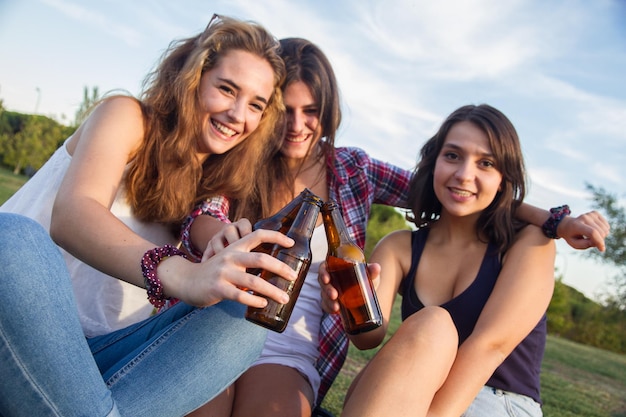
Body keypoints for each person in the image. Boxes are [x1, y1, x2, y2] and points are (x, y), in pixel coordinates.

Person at [181, 40, 610, 417]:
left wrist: (554, 220)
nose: (297, 126)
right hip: (221, 319)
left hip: (298, 347)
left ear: (328, 112)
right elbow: (208, 213)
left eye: (311, 111)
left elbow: (440, 190)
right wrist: (219, 235)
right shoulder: (242, 159)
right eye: (285, 111)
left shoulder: (353, 169)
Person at [0, 14, 299, 417]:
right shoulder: (126, 116)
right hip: (19, 329)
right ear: (194, 79)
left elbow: (207, 224)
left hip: (98, 359)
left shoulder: (210, 189)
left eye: (256, 105)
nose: (237, 114)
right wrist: (183, 274)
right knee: (14, 240)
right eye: (227, 89)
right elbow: (73, 213)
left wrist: (223, 256)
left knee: (240, 319)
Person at [319, 104, 592, 417]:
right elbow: (368, 338)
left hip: (497, 401)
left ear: (503, 178)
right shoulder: (399, 247)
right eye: (452, 156)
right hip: (412, 390)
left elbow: (491, 346)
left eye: (485, 163)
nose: (464, 175)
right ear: (434, 162)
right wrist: (347, 304)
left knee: (434, 323)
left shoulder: (530, 241)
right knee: (430, 326)